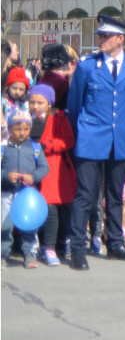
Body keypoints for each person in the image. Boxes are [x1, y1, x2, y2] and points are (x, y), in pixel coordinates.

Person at [65, 16, 125, 269]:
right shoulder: (87, 65)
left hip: (119, 137)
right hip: (91, 136)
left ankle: (115, 244)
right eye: (100, 35)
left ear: (120, 39)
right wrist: (82, 131)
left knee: (115, 194)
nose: (100, 39)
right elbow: (74, 105)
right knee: (85, 194)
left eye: (106, 36)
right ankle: (78, 249)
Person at [26, 84, 74, 265]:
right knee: (40, 208)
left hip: (55, 168)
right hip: (31, 168)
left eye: (40, 102)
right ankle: (41, 245)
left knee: (54, 208)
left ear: (49, 103)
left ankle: (53, 246)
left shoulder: (59, 118)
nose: (35, 106)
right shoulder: (26, 118)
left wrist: (48, 146)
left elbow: (68, 140)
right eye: (32, 102)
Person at [3, 111, 49, 267]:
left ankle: (30, 253)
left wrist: (33, 177)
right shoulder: (3, 148)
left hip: (27, 193)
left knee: (29, 225)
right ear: (10, 128)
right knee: (4, 225)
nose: (22, 133)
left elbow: (44, 168)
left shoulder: (35, 147)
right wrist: (6, 176)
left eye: (26, 128)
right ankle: (3, 253)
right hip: (6, 192)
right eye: (17, 129)